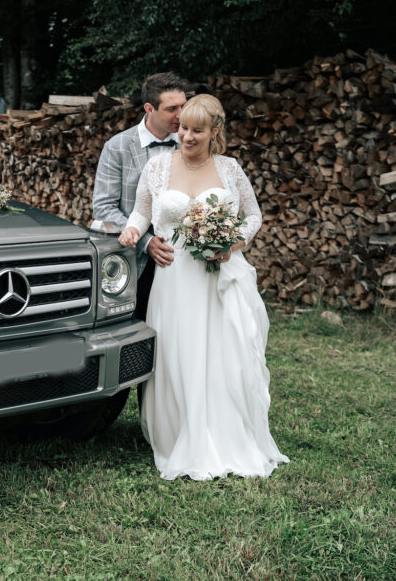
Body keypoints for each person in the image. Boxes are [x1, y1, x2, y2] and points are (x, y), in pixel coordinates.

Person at [118, 93, 289, 480]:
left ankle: (225, 434)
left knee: (222, 353)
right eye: (182, 129)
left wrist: (233, 244)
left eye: (197, 130)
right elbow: (142, 211)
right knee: (179, 352)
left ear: (215, 132)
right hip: (174, 277)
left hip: (217, 278)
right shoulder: (158, 168)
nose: (187, 137)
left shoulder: (229, 169)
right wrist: (133, 231)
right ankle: (179, 432)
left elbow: (253, 215)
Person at [92, 72, 188, 319]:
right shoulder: (117, 147)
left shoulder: (191, 144)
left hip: (185, 257)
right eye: (171, 109)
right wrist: (146, 241)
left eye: (184, 106)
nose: (181, 115)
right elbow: (104, 208)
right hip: (136, 260)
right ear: (149, 108)